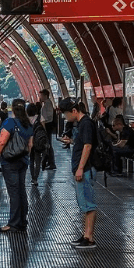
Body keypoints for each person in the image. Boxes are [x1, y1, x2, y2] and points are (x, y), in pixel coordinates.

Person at [58, 98, 98, 249]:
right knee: (84, 203)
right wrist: (71, 141)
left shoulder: (86, 123)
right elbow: (83, 143)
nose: (65, 117)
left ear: (74, 111)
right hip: (83, 168)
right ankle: (86, 235)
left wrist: (80, 168)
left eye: (66, 114)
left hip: (85, 168)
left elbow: (87, 146)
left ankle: (90, 238)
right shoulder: (82, 123)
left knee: (88, 203)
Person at [0, 99, 34, 233]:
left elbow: (1, 142)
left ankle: (14, 224)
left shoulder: (10, 122)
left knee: (14, 193)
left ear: (13, 109)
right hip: (23, 161)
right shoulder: (28, 124)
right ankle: (23, 221)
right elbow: (30, 145)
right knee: (21, 191)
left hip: (10, 162)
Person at [39, 89, 56, 170]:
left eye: (41, 95)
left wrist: (44, 126)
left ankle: (51, 163)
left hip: (47, 125)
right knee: (48, 144)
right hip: (47, 125)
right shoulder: (46, 104)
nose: (40, 97)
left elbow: (46, 117)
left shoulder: (47, 104)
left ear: (45, 96)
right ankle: (49, 162)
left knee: (48, 144)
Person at [27, 103, 43, 186]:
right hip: (38, 141)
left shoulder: (26, 119)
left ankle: (32, 177)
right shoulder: (40, 117)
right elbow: (43, 130)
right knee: (38, 161)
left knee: (31, 160)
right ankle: (36, 178)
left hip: (30, 141)